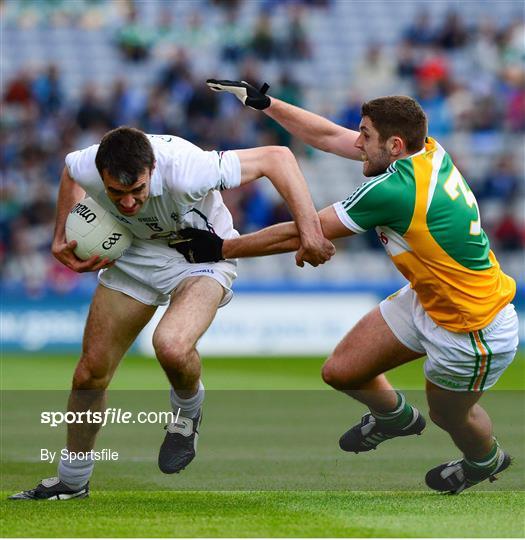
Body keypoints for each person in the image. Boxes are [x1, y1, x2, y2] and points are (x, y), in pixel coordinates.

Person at [174, 80, 519, 495]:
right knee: (342, 371)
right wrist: (266, 104)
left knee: (449, 416)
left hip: (473, 328)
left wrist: (221, 247)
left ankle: (484, 460)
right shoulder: (427, 149)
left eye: (366, 136)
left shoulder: (395, 190)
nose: (357, 142)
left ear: (393, 144)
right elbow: (327, 135)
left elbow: (306, 230)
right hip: (430, 298)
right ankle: (394, 418)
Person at [9, 126, 334, 500]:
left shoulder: (187, 169)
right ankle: (72, 481)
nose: (128, 203)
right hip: (135, 256)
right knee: (88, 375)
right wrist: (58, 236)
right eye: (116, 193)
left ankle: (187, 412)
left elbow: (278, 158)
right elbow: (68, 172)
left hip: (201, 255)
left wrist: (310, 230)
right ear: (101, 177)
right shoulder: (86, 164)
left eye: (137, 191)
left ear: (152, 170)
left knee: (172, 346)